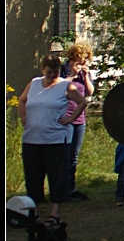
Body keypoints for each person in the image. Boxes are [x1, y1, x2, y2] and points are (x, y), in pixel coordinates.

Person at [17, 55, 88, 228]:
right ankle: (35, 211)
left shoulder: (65, 85)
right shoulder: (34, 83)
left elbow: (82, 102)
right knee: (33, 176)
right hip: (32, 139)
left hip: (56, 140)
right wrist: (23, 117)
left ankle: (55, 213)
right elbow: (22, 100)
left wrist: (71, 118)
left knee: (57, 176)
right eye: (49, 72)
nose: (51, 76)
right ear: (43, 70)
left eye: (55, 73)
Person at [61, 43, 95, 201]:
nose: (82, 64)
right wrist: (72, 75)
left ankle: (71, 188)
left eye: (85, 61)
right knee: (64, 156)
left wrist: (86, 76)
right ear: (73, 58)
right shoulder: (62, 70)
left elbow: (89, 92)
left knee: (74, 155)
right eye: (80, 61)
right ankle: (61, 189)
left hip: (79, 119)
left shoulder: (84, 74)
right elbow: (58, 88)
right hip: (65, 118)